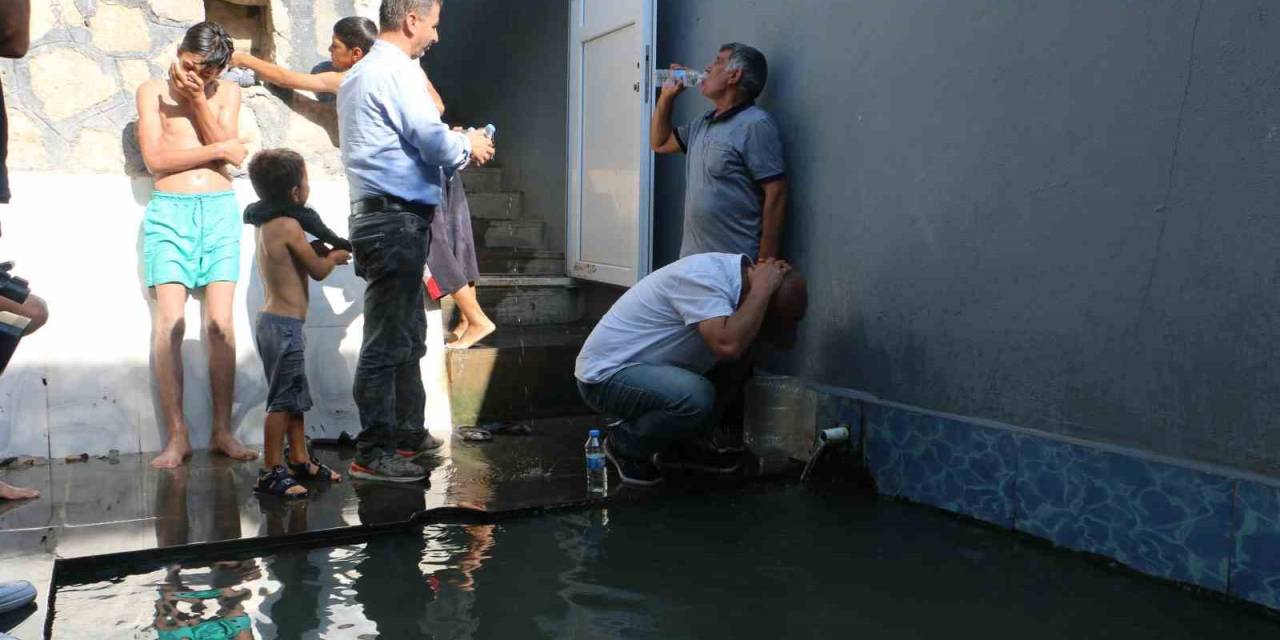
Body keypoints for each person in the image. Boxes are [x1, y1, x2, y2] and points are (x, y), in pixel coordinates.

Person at [230, 16, 491, 350]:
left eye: (334, 46)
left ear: (355, 53)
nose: (328, 52)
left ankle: (477, 318)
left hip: (414, 178)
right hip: (440, 166)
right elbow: (437, 106)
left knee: (436, 247)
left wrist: (244, 58)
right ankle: (470, 319)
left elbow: (287, 78)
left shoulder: (354, 78)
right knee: (457, 239)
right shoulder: (406, 68)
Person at [338, 0, 494, 482]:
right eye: (434, 24)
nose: (436, 35)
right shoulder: (397, 72)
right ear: (410, 21)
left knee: (406, 334)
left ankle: (406, 436)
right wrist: (469, 144)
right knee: (387, 341)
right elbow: (432, 141)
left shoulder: (363, 74)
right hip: (394, 221)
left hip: (388, 219)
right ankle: (374, 450)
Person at [136, 22, 257, 469]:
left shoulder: (224, 94)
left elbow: (232, 156)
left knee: (220, 326)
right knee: (169, 324)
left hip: (220, 212)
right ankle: (177, 434)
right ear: (181, 52)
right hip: (171, 211)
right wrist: (219, 149)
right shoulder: (151, 91)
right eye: (191, 67)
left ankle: (223, 431)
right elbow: (156, 161)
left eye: (207, 72)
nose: (195, 75)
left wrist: (198, 101)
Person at [575, 254, 806, 486]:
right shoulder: (705, 277)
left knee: (741, 354)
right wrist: (763, 289)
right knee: (696, 395)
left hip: (651, 370)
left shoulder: (737, 285)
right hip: (605, 378)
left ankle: (682, 448)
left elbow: (783, 342)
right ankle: (624, 445)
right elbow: (727, 345)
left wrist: (767, 296)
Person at [245, 149, 350, 497]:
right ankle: (271, 470)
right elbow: (318, 271)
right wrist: (335, 255)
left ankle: (299, 458)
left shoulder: (267, 224)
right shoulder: (290, 225)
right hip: (283, 326)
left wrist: (316, 249)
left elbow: (295, 261)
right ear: (295, 192)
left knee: (295, 396)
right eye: (306, 180)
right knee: (281, 400)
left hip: (278, 324)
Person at [650, 43, 787, 262]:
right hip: (693, 264)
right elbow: (660, 143)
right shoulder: (701, 123)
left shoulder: (755, 124)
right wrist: (667, 97)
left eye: (717, 61)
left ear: (734, 75)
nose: (707, 67)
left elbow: (776, 193)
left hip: (733, 267)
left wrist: (763, 264)